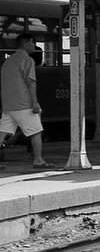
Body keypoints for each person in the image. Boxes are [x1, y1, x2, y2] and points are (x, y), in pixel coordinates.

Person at [0, 33, 53, 168]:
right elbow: (31, 83)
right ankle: (38, 160)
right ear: (25, 44)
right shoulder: (28, 60)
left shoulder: (8, 61)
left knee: (2, 133)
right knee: (36, 132)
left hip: (8, 104)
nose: (34, 45)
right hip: (23, 104)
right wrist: (34, 103)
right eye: (32, 43)